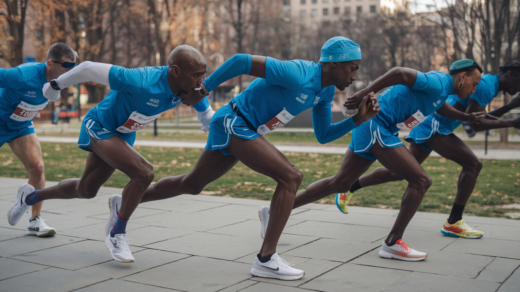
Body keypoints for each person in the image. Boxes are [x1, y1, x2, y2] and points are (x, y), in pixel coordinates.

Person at [106, 36, 379, 280]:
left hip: (242, 128)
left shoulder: (325, 91)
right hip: (233, 121)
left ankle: (127, 201)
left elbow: (324, 135)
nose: (355, 75)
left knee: (192, 184)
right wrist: (206, 87)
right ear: (333, 63)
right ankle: (266, 259)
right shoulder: (297, 73)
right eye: (352, 67)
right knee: (291, 177)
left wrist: (357, 120)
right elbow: (240, 61)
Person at [259, 59, 486, 262]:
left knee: (340, 183)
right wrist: (365, 92)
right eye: (474, 84)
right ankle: (392, 243)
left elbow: (439, 106)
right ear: (462, 77)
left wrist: (466, 117)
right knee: (421, 180)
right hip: (376, 125)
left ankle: (273, 211)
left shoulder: (441, 92)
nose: (474, 90)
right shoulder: (438, 82)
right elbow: (400, 73)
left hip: (373, 127)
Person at [7, 45, 214, 263]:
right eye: (197, 75)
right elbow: (87, 68)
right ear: (175, 71)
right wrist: (56, 85)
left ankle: (29, 197)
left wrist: (207, 116)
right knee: (143, 173)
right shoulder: (142, 79)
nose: (201, 80)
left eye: (203, 74)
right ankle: (117, 234)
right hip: (99, 126)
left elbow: (201, 99)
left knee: (86, 190)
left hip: (122, 134)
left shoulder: (189, 86)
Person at [341, 60, 520, 239]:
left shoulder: (483, 84)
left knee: (399, 172)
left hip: (431, 125)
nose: (474, 89)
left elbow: (472, 117)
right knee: (472, 165)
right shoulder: (485, 86)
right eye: (473, 85)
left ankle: (348, 187)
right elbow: (476, 125)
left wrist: (508, 108)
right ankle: (453, 222)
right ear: (511, 75)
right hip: (435, 127)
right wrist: (512, 121)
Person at [3, 43, 77, 237]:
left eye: (73, 67)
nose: (70, 72)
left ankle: (34, 220)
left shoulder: (59, 81)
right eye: (67, 66)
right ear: (50, 64)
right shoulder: (22, 75)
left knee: (38, 168)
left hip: (20, 125)